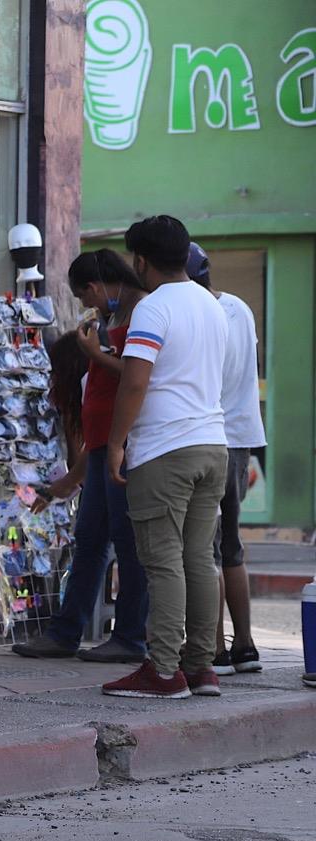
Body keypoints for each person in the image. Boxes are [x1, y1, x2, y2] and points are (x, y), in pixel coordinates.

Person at [102, 215, 228, 700]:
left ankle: (162, 669)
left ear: (140, 261)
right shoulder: (211, 304)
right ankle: (202, 668)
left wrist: (116, 442)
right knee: (198, 557)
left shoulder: (154, 309)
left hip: (165, 450)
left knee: (163, 561)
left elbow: (135, 380)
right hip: (211, 445)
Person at [14, 250, 150, 664]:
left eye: (86, 296)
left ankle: (129, 635)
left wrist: (93, 355)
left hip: (119, 446)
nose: (88, 306)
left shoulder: (143, 312)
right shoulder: (113, 318)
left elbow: (134, 376)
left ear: (96, 285)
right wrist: (72, 477)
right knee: (90, 541)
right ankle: (66, 631)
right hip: (101, 449)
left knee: (127, 546)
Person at [186, 242, 266, 676]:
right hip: (242, 437)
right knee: (232, 547)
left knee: (205, 550)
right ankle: (246, 646)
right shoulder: (238, 306)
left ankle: (214, 648)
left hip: (210, 437)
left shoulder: (197, 313)